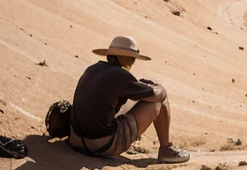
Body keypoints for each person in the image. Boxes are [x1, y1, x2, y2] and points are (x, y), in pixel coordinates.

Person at [69, 35, 190, 163]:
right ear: (126, 57)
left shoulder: (93, 69)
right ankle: (166, 149)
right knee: (156, 103)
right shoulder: (119, 75)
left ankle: (165, 148)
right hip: (101, 145)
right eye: (132, 58)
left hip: (76, 140)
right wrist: (158, 87)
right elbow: (158, 95)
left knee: (133, 101)